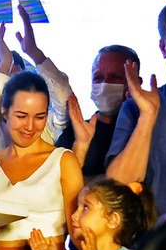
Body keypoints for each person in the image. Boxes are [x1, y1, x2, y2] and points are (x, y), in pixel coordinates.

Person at [0, 71, 83, 250]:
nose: (30, 126)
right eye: (21, 116)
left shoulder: (63, 160)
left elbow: (79, 232)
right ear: (4, 112)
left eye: (40, 116)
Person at [0, 6, 72, 162]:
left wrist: (35, 53)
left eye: (17, 81)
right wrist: (4, 64)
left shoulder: (41, 125)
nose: (13, 89)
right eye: (3, 80)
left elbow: (66, 104)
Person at [106, 2, 166, 216]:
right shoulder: (136, 109)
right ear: (163, 47)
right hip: (156, 245)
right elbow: (117, 187)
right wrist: (147, 117)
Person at [57, 45, 140, 177]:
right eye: (98, 78)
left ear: (136, 82)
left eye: (115, 77)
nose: (104, 84)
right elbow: (55, 185)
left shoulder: (143, 132)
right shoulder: (74, 133)